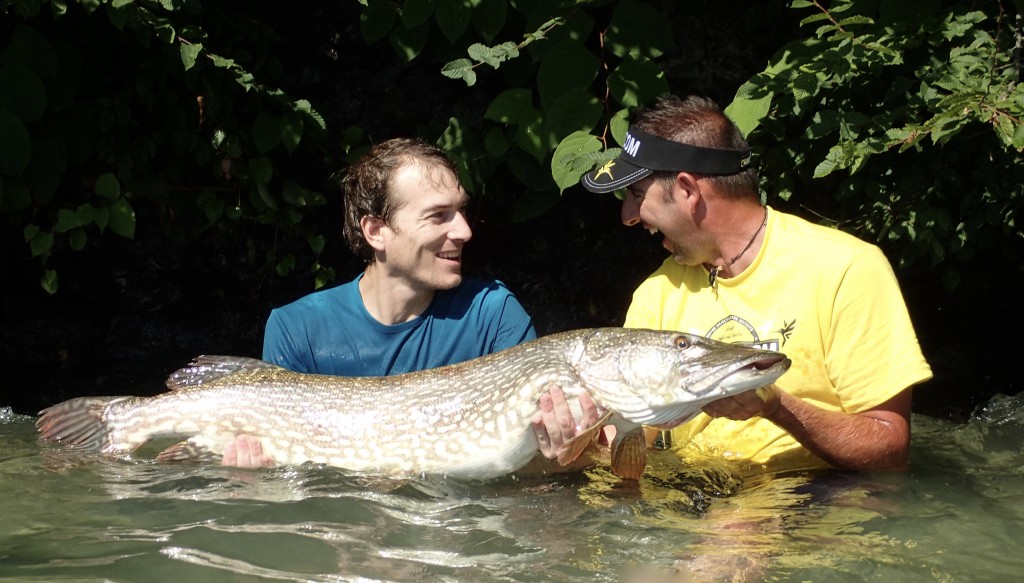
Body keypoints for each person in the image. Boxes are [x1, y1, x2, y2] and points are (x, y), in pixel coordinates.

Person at [569, 94, 932, 473]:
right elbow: (623, 453)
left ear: (688, 191)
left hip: (815, 493)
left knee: (735, 529)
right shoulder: (655, 293)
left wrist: (776, 407)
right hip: (693, 497)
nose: (627, 215)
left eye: (637, 194)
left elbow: (889, 449)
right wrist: (572, 440)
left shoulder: (846, 269)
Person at [223, 137, 540, 467]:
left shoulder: (494, 314)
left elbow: (531, 469)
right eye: (438, 215)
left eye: (460, 210)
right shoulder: (297, 330)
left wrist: (566, 454)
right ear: (376, 231)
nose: (464, 230)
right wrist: (258, 483)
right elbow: (296, 494)